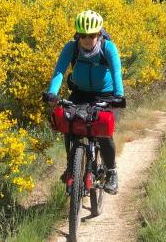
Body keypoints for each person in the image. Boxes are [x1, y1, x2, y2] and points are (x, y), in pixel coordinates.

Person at [43, 10, 124, 194]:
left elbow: (116, 72)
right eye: (83, 35)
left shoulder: (108, 48)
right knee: (68, 123)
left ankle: (112, 172)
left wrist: (119, 96)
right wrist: (52, 93)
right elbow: (59, 72)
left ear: (99, 33)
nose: (88, 40)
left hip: (106, 94)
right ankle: (71, 165)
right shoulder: (71, 47)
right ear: (78, 34)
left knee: (103, 133)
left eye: (92, 35)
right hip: (80, 92)